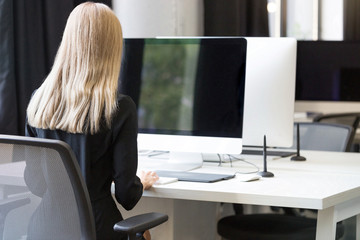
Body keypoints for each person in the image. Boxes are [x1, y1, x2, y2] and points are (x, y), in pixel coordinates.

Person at [25, 2, 158, 239]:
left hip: (43, 230)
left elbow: (35, 184)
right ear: (112, 49)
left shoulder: (39, 102)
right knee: (145, 233)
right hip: (95, 229)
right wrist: (141, 184)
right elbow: (127, 196)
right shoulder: (118, 108)